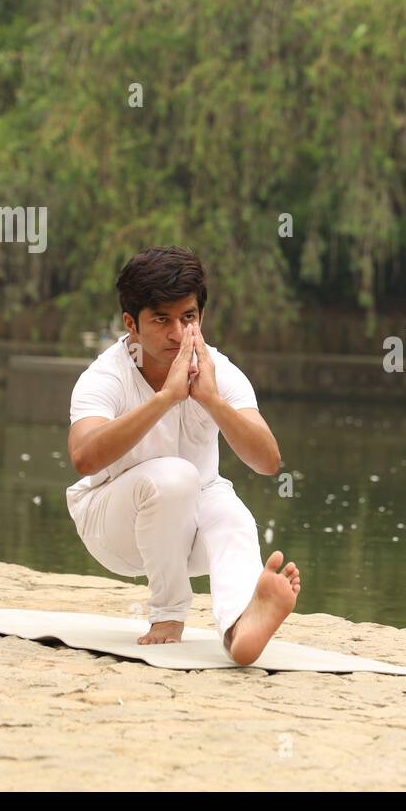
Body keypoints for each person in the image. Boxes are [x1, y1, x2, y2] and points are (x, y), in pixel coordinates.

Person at [64, 245, 300, 665]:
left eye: (187, 318)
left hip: (185, 531)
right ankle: (169, 614)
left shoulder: (219, 372)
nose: (177, 332)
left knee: (232, 515)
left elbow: (268, 462)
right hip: (111, 526)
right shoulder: (105, 376)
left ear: (200, 318)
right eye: (161, 319)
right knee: (174, 476)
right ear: (131, 324)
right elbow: (84, 457)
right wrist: (167, 398)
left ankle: (240, 626)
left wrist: (210, 400)